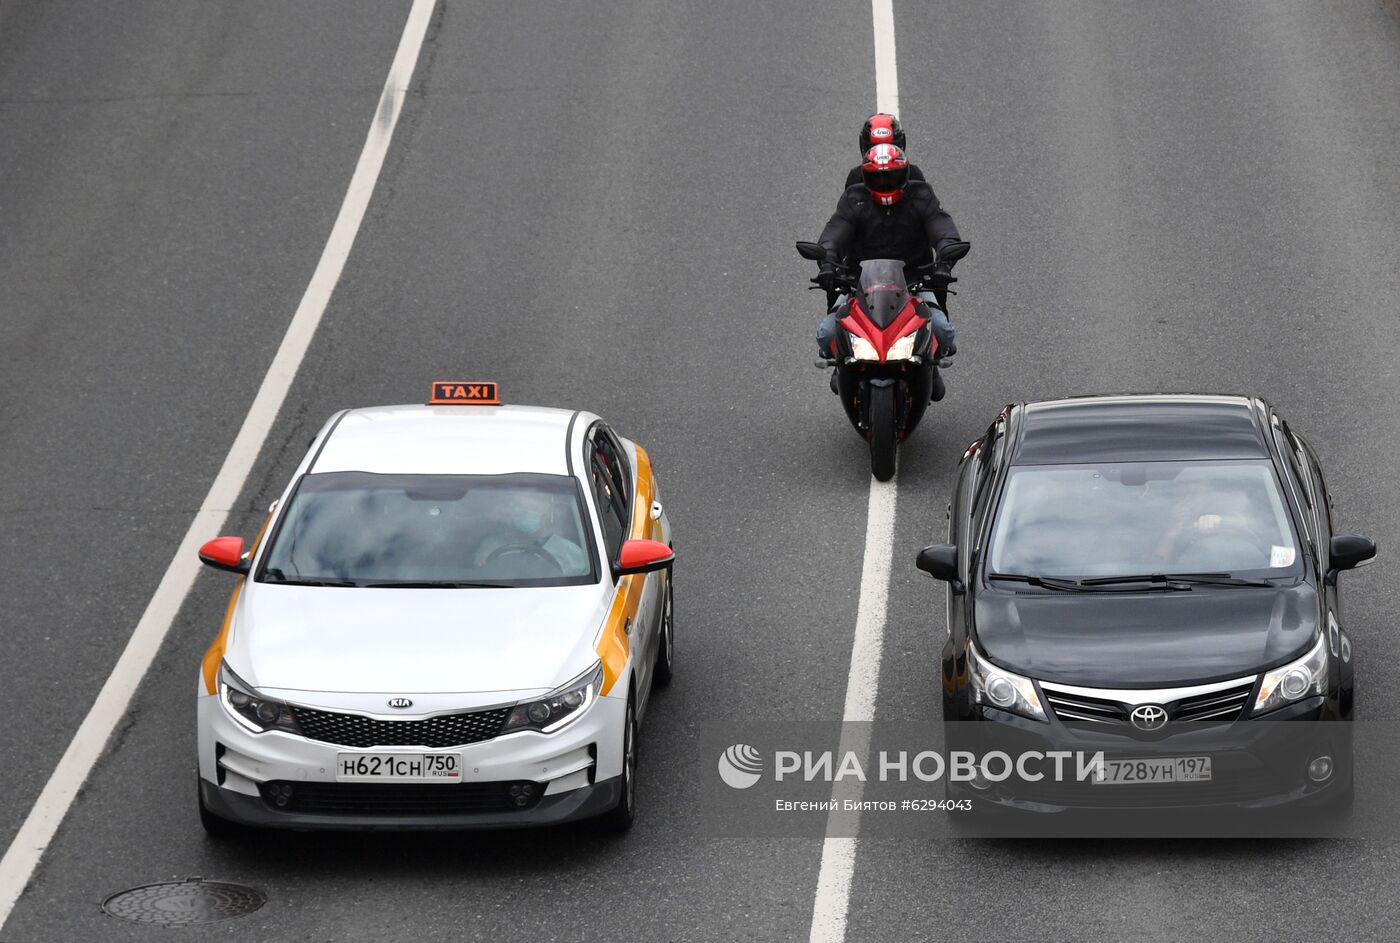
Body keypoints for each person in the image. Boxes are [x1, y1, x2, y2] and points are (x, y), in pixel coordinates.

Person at [814, 143, 967, 399]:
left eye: (891, 177)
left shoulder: (921, 196)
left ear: (904, 174)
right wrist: (827, 264)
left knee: (943, 330)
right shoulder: (854, 200)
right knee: (826, 333)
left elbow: (944, 231)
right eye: (877, 178)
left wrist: (944, 262)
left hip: (914, 281)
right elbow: (833, 236)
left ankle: (931, 368)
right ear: (866, 178)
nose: (885, 184)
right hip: (859, 283)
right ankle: (842, 366)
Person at [474, 490, 587, 576]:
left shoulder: (568, 551)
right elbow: (481, 578)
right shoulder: (491, 546)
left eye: (533, 507)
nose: (525, 512)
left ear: (547, 512)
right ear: (509, 512)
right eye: (518, 507)